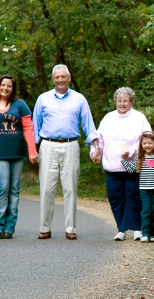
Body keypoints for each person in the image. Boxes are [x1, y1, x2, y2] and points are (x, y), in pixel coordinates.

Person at [33, 64, 100, 240]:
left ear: (69, 77)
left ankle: (71, 228)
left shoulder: (79, 99)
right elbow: (35, 125)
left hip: (71, 145)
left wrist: (96, 144)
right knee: (47, 188)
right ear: (53, 79)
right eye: (57, 77)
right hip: (47, 145)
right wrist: (33, 148)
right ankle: (44, 228)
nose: (60, 80)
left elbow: (88, 124)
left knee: (70, 188)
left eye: (63, 76)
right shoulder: (43, 99)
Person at [90, 87, 151, 241]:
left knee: (134, 198)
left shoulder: (139, 118)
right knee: (115, 198)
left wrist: (130, 152)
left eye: (125, 101)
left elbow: (147, 139)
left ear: (131, 101)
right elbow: (99, 140)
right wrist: (95, 152)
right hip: (112, 167)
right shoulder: (108, 118)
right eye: (119, 101)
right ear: (115, 101)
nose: (122, 104)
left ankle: (137, 228)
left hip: (132, 167)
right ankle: (121, 229)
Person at [0, 75, 38, 239]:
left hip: (17, 153)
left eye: (9, 86)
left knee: (14, 189)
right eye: (3, 85)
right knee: (3, 187)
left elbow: (28, 128)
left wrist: (32, 151)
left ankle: (9, 227)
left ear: (12, 89)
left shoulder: (20, 104)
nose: (5, 88)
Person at [121, 131, 154, 242]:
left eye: (150, 143)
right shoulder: (139, 158)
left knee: (153, 212)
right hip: (144, 189)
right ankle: (145, 233)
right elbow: (131, 169)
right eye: (144, 143)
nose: (147, 145)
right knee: (146, 211)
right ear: (141, 145)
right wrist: (123, 160)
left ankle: (152, 233)